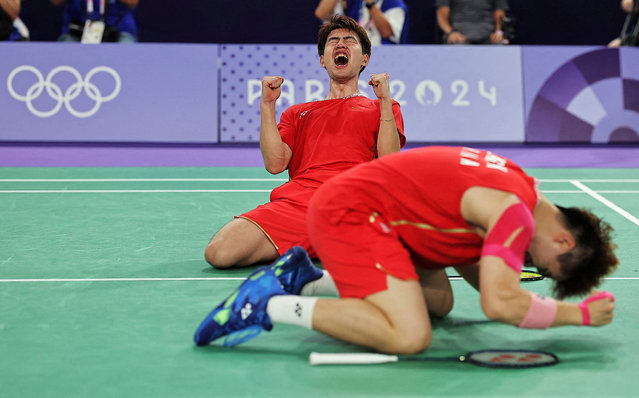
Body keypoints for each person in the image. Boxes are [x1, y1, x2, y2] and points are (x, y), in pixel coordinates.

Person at [194, 146, 618, 354]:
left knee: (437, 303)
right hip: (353, 213)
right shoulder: (515, 215)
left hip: (382, 212)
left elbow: (475, 266)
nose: (536, 266)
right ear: (564, 240)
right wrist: (578, 315)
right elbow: (498, 302)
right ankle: (267, 306)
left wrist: (504, 285)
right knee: (410, 335)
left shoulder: (520, 185)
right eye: (550, 268)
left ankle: (306, 281)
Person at [204, 15, 406, 269]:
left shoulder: (381, 107)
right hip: (298, 207)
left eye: (349, 40)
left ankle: (314, 247)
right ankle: (323, 244)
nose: (340, 44)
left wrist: (386, 101)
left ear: (365, 59)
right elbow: (275, 164)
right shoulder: (298, 113)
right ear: (323, 60)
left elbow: (390, 161)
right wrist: (268, 104)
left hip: (354, 205)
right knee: (219, 252)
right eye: (333, 41)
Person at [51, 0, 138, 43]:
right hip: (78, 32)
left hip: (117, 31)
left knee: (126, 46)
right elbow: (55, 1)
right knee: (67, 46)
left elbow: (133, 2)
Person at [436, 0, 509, 44]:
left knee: (500, 44)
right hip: (459, 35)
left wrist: (499, 31)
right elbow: (442, 14)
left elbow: (500, 13)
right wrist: (450, 32)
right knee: (457, 47)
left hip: (489, 35)